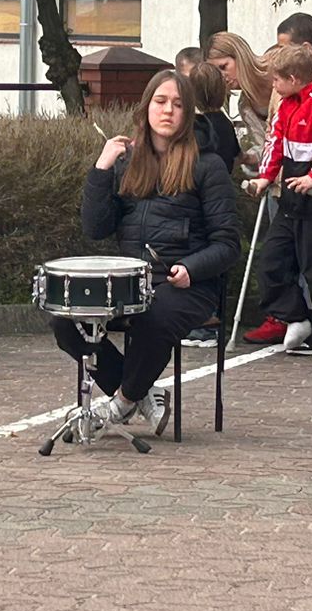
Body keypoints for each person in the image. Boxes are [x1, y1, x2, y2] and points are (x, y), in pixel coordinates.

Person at [57, 70, 238, 434]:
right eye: (160, 101)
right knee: (64, 318)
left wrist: (191, 268)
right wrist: (101, 168)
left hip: (187, 285)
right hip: (129, 283)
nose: (168, 110)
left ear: (188, 113)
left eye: (178, 104)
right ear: (146, 108)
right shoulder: (127, 161)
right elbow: (95, 229)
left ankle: (121, 404)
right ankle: (142, 393)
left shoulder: (208, 165)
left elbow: (228, 243)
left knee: (154, 316)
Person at [240, 42, 312, 352]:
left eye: (277, 80)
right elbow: (274, 142)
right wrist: (265, 176)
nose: (273, 86)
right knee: (271, 261)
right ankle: (296, 317)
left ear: (293, 78)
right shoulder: (285, 104)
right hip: (290, 192)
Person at [206, 31, 273, 168]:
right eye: (216, 73)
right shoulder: (244, 106)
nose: (222, 77)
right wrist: (245, 157)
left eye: (224, 67)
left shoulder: (276, 72)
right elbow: (267, 149)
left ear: (240, 56)